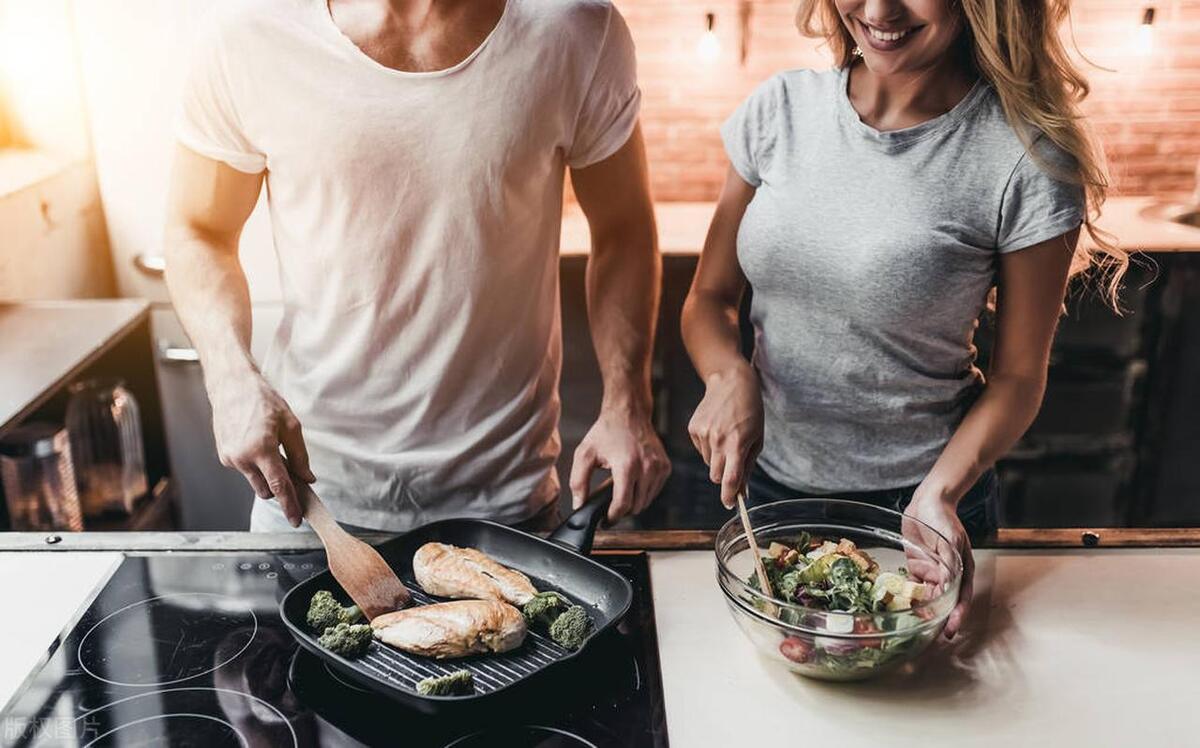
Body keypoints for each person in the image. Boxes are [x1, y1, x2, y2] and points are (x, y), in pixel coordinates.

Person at [681, 0, 1127, 637]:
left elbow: (1019, 379)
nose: (879, 9)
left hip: (921, 508)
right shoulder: (779, 109)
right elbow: (709, 299)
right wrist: (728, 377)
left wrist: (941, 493)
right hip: (770, 494)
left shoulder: (1026, 158)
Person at [164, 0, 670, 533]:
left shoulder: (573, 27)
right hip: (311, 502)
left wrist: (628, 401)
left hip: (502, 506)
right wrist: (229, 378)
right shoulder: (248, 33)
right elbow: (199, 230)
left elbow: (623, 230)